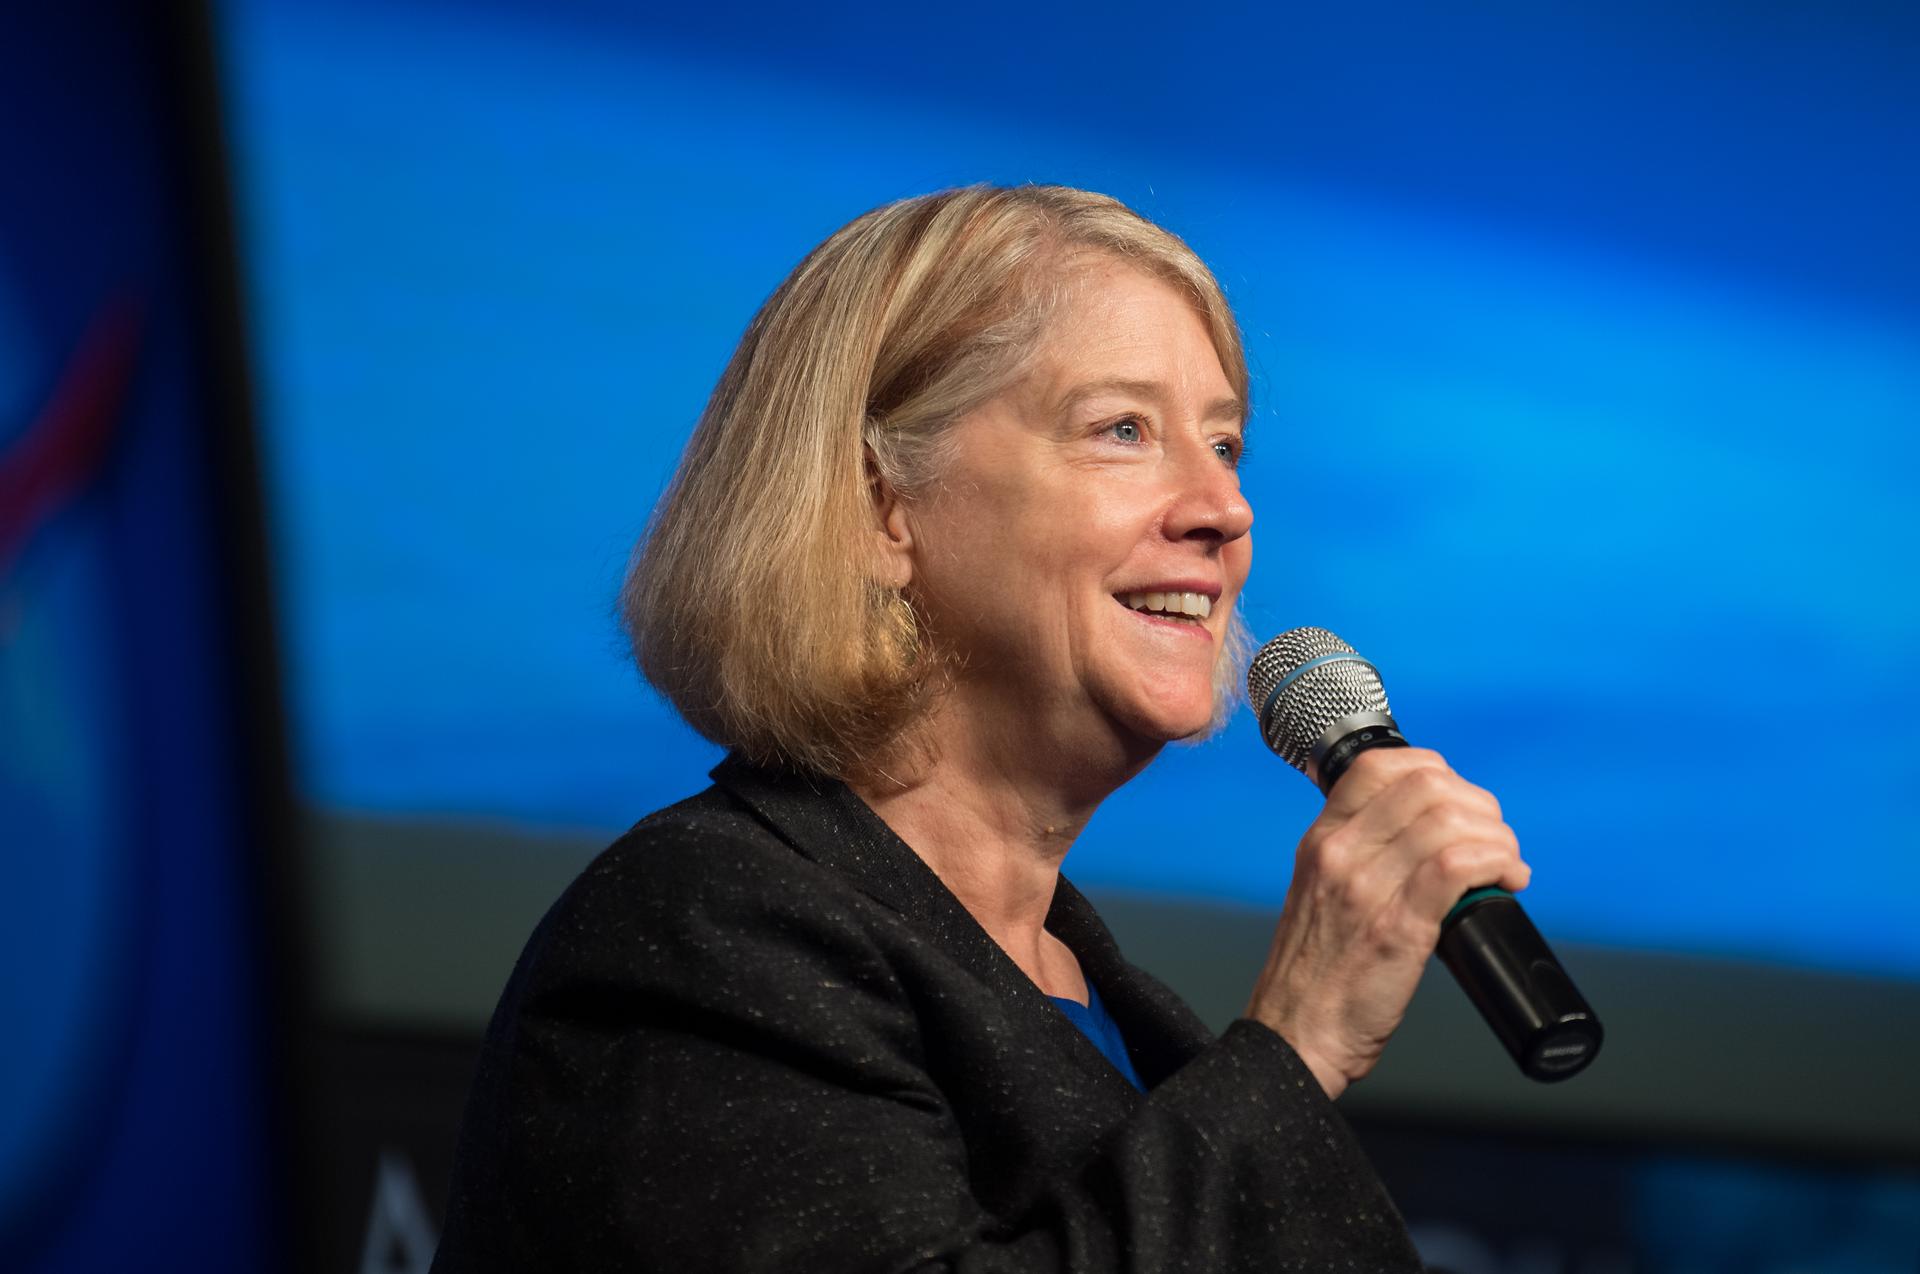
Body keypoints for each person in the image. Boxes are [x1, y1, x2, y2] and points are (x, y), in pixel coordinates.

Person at [431, 184, 1529, 1272]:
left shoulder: (1132, 1021)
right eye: (1123, 430)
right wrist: (1298, 1043)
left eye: (1227, 445)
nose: (1223, 509)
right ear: (879, 509)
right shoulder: (701, 929)